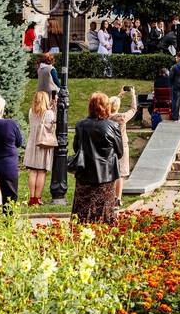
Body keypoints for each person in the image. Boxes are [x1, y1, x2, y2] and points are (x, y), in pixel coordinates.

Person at [70, 92, 124, 223]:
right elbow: (120, 152)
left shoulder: (81, 125)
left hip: (85, 174)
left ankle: (80, 233)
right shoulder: (113, 126)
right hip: (106, 175)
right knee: (104, 210)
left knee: (82, 209)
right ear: (107, 107)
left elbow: (76, 147)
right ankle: (103, 234)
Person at [24, 90, 57, 206]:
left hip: (32, 144)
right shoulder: (48, 113)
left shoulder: (31, 111)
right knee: (41, 172)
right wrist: (54, 108)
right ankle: (37, 198)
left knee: (32, 171)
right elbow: (53, 125)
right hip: (43, 144)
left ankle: (31, 197)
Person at [108, 87, 139, 201]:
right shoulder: (121, 118)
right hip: (122, 146)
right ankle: (118, 198)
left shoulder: (105, 117)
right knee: (120, 173)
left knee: (109, 172)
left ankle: (109, 196)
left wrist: (119, 95)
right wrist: (133, 95)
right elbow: (133, 109)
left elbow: (110, 105)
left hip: (109, 147)